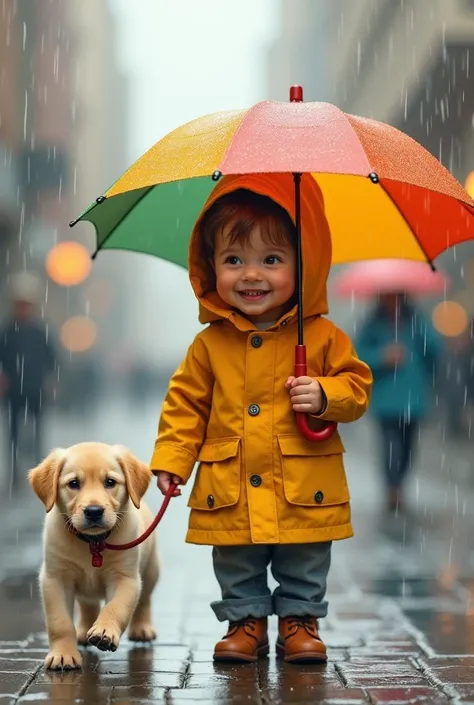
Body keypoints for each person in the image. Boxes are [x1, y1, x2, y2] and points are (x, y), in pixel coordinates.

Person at [150, 174, 372, 663]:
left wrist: (325, 393)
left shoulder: (322, 336)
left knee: (306, 555)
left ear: (304, 265)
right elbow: (186, 404)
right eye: (234, 261)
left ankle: (300, 620)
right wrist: (173, 461)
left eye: (271, 260)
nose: (251, 275)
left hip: (303, 479)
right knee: (236, 556)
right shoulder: (209, 345)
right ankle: (244, 621)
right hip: (230, 480)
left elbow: (357, 389)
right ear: (211, 269)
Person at [355, 293, 442, 513]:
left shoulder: (417, 321)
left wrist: (419, 331)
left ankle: (399, 484)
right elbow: (357, 356)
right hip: (386, 400)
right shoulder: (373, 324)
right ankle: (393, 489)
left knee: (408, 447)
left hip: (413, 399)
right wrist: (382, 356)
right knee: (391, 446)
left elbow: (435, 351)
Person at [0, 272, 59, 490]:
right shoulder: (7, 330)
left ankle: (38, 469)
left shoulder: (39, 331)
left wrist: (52, 380)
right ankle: (15, 471)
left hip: (35, 388)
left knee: (37, 430)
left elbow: (52, 358)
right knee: (13, 430)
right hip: (14, 389)